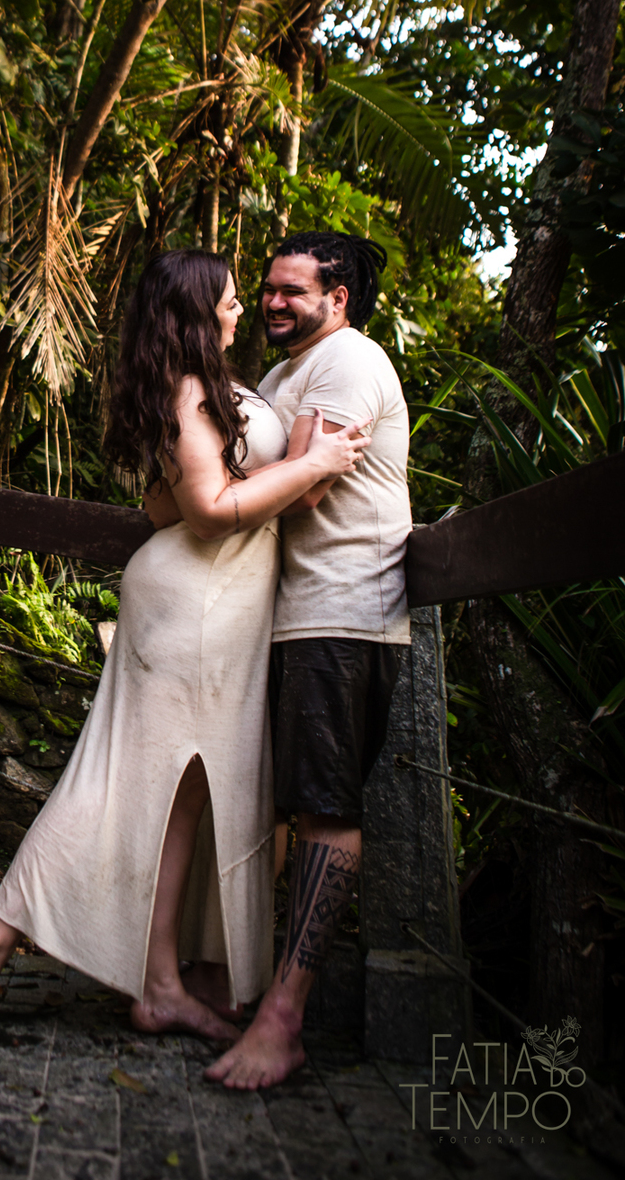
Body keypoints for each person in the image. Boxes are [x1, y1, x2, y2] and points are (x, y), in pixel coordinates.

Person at [0, 248, 370, 1039]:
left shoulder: (200, 388)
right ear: (198, 309)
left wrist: (271, 470)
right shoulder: (186, 388)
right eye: (234, 300)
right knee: (118, 788)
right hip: (195, 607)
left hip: (211, 602)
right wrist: (315, 461)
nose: (243, 311)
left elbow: (165, 505)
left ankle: (160, 982)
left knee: (180, 797)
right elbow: (209, 508)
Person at [206, 230, 413, 1090]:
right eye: (269, 289)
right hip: (286, 618)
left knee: (324, 811)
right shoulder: (290, 376)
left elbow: (306, 485)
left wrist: (214, 490)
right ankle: (254, 991)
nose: (274, 302)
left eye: (295, 291)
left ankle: (284, 1022)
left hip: (343, 612)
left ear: (340, 299)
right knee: (281, 811)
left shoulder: (350, 364)